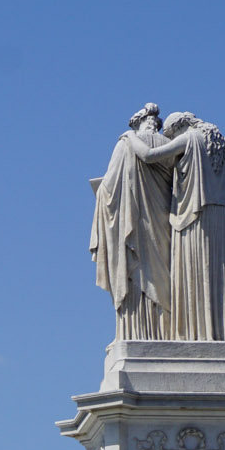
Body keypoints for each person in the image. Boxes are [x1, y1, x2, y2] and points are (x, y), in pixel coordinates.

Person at [124, 111, 225, 342]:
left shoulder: (190, 138)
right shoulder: (224, 147)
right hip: (221, 215)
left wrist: (129, 136)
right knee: (219, 271)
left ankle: (198, 333)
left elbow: (149, 155)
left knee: (195, 271)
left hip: (196, 213)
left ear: (179, 127)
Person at [91, 102, 176, 341]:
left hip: (140, 219)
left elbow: (108, 187)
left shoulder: (126, 143)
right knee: (161, 269)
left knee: (139, 268)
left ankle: (140, 332)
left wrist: (101, 196)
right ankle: (164, 329)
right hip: (160, 217)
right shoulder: (169, 145)